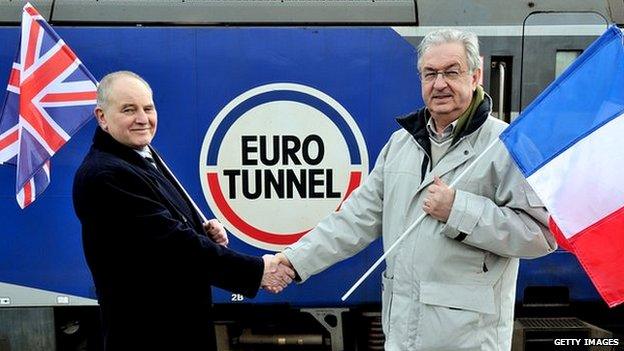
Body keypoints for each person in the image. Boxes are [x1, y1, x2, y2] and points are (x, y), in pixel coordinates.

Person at [276, 29, 557, 350]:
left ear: (476, 75)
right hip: (403, 336)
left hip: (468, 340)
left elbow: (540, 235)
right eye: (430, 73)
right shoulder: (401, 144)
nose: (439, 83)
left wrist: (458, 211)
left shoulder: (505, 145)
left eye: (452, 72)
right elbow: (355, 219)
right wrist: (293, 261)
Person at [73, 71, 294, 351]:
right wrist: (257, 271)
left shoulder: (139, 156)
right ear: (102, 117)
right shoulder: (105, 175)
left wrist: (203, 232)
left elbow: (161, 231)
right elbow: (173, 246)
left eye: (148, 108)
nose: (143, 119)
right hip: (151, 335)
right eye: (128, 109)